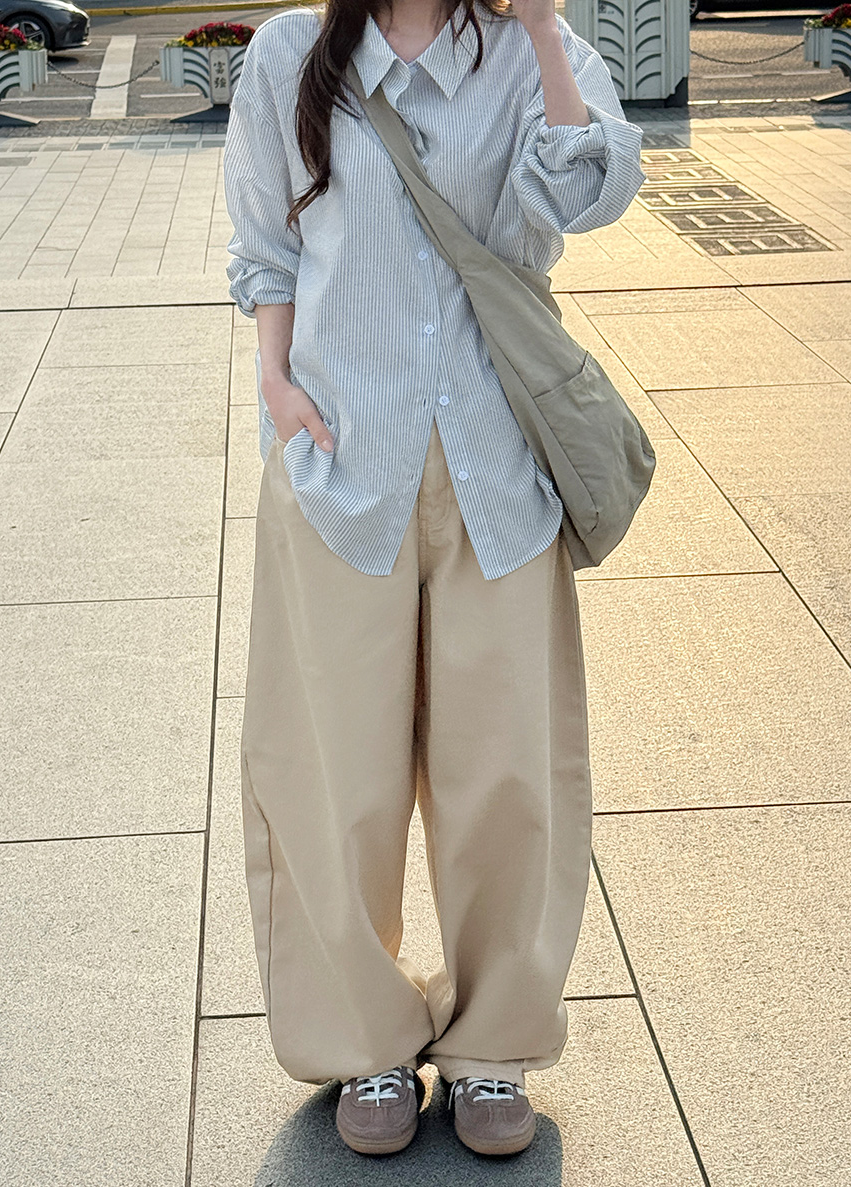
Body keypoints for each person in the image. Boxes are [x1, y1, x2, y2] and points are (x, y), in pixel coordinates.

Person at [223, 0, 645, 1159]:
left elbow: (593, 189)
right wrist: (278, 387)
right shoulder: (287, 55)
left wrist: (545, 28)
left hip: (495, 472)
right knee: (331, 774)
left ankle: (493, 1044)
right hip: (342, 467)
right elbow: (266, 244)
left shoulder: (524, 54)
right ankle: (363, 1039)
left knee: (507, 770)